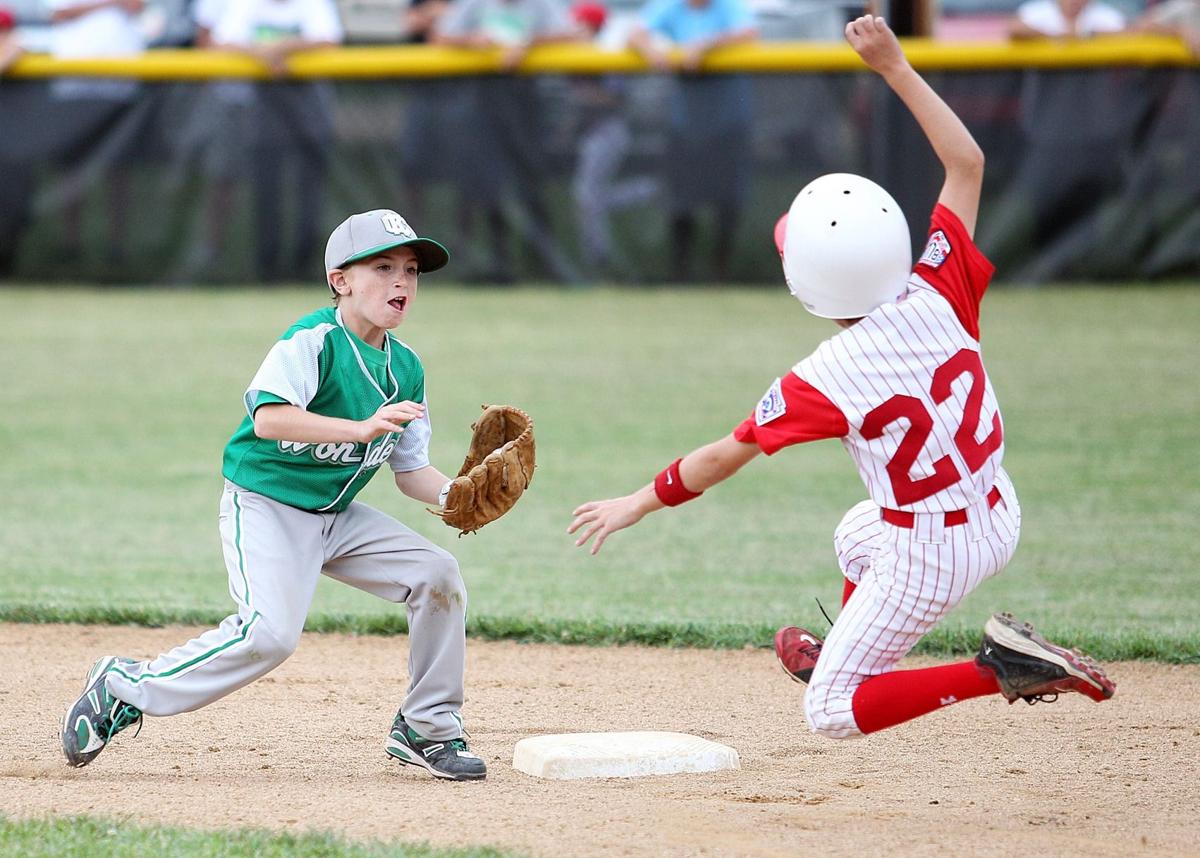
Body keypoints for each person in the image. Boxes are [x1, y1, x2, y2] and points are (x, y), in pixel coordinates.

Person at [569, 16, 1115, 741]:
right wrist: (893, 67)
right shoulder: (940, 288)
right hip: (996, 511)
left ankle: (999, 670)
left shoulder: (825, 377)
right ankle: (849, 649)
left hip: (933, 550)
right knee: (858, 532)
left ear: (807, 285)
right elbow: (968, 163)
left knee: (830, 713)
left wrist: (638, 501)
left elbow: (720, 456)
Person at [61, 209, 488, 781]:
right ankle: (123, 686)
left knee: (438, 573)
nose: (401, 283)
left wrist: (460, 494)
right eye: (382, 267)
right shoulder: (313, 342)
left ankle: (426, 728)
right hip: (266, 504)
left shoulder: (406, 369)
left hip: (335, 515)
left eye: (411, 271)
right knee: (269, 635)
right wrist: (360, 428)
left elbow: (412, 473)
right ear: (341, 279)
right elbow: (269, 418)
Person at [628, 0, 757, 282]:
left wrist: (705, 44)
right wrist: (651, 51)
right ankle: (681, 274)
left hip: (726, 121)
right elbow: (635, 33)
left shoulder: (727, 6)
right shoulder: (671, 6)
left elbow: (748, 33)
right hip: (686, 123)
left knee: (727, 199)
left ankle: (721, 272)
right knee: (682, 199)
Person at [569, 1, 659, 279]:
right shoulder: (570, 53)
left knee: (586, 197)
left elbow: (617, 97)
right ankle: (646, 191)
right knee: (588, 197)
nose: (573, 29)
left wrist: (581, 97)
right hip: (589, 133)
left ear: (592, 26)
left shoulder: (607, 53)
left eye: (579, 24)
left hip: (609, 131)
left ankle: (598, 258)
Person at [1008, 0, 1125, 38]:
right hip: (1046, 85)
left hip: (1093, 85)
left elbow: (1126, 34)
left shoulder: (1103, 15)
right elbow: (1014, 29)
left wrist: (1086, 35)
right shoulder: (1039, 11)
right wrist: (1055, 36)